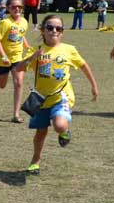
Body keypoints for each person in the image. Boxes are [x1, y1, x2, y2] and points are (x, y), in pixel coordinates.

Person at [17, 14, 98, 175]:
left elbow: (83, 66)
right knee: (40, 133)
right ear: (42, 30)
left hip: (62, 97)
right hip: (41, 99)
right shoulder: (37, 51)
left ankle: (64, 131)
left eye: (58, 28)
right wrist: (32, 57)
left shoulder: (69, 50)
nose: (54, 31)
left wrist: (93, 85)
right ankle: (35, 161)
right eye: (50, 27)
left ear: (62, 32)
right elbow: (19, 68)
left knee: (59, 125)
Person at [0, 0, 31, 123]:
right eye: (14, 7)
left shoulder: (25, 22)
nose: (17, 9)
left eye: (19, 6)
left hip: (17, 58)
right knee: (2, 85)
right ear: (8, 8)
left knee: (19, 83)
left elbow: (22, 35)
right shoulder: (5, 23)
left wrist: (27, 46)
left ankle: (16, 114)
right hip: (3, 59)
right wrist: (3, 56)